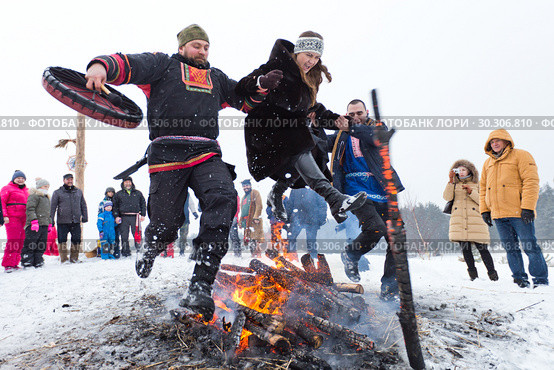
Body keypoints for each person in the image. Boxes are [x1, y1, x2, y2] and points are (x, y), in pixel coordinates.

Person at [85, 24, 276, 320]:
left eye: (206, 47)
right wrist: (100, 67)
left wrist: (262, 86)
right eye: (196, 45)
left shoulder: (217, 78)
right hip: (166, 154)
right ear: (183, 47)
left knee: (224, 198)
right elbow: (127, 64)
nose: (202, 51)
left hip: (206, 152)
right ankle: (151, 248)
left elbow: (246, 101)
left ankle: (200, 284)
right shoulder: (163, 65)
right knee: (167, 225)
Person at [235, 31, 367, 231]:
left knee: (314, 147)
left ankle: (278, 192)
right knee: (300, 137)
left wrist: (337, 121)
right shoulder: (278, 64)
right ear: (298, 51)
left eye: (316, 57)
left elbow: (314, 110)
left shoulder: (308, 81)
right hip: (264, 130)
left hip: (289, 133)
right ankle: (333, 198)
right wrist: (262, 81)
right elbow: (243, 85)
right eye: (308, 55)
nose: (312, 61)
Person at [327, 99, 404, 297]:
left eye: (359, 113)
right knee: (375, 228)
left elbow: (375, 139)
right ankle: (351, 254)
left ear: (367, 112)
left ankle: (389, 289)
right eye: (350, 115)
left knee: (396, 240)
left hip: (382, 189)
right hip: (355, 191)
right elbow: (317, 143)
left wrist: (350, 126)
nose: (355, 117)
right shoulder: (340, 136)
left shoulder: (377, 129)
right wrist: (310, 124)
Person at [480, 129, 548, 288]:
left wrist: (528, 207)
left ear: (506, 141)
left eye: (498, 140)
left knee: (530, 247)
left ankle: (540, 280)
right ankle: (519, 279)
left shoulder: (521, 155)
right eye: (492, 141)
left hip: (519, 213)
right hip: (499, 215)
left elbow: (531, 181)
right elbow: (483, 188)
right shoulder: (487, 163)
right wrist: (485, 210)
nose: (494, 144)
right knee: (511, 249)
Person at [443, 160, 498, 281]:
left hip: (476, 220)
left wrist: (471, 192)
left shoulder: (478, 184)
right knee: (466, 250)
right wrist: (451, 181)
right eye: (458, 170)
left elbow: (484, 201)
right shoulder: (453, 184)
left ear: (470, 171)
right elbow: (447, 197)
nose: (461, 172)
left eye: (463, 170)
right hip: (460, 221)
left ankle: (493, 275)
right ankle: (474, 277)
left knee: (483, 249)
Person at [50, 174, 88, 263]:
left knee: (76, 239)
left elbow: (83, 205)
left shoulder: (78, 191)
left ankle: (74, 258)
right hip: (62, 221)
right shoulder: (57, 192)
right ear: (64, 180)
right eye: (68, 179)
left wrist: (85, 216)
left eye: (71, 179)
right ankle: (64, 259)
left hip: (75, 221)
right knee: (62, 240)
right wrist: (51, 220)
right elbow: (52, 207)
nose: (70, 181)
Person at [286, 187, 327, 259]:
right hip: (298, 217)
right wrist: (288, 217)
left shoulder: (314, 186)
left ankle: (314, 260)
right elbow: (290, 204)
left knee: (310, 242)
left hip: (311, 219)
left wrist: (322, 218)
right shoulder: (295, 188)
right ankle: (291, 259)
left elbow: (322, 204)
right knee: (291, 239)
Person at [1, 170, 29, 272]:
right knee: (13, 240)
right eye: (18, 178)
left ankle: (15, 263)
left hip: (24, 218)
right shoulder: (7, 188)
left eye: (22, 178)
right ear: (14, 179)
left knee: (21, 240)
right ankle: (8, 264)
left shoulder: (27, 190)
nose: (20, 180)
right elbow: (2, 202)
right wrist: (4, 216)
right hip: (12, 218)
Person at [21, 178, 51, 268]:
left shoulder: (46, 198)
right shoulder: (34, 196)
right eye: (45, 186)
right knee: (31, 243)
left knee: (41, 243)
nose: (47, 188)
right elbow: (30, 209)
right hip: (34, 224)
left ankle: (38, 260)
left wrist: (49, 223)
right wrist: (33, 220)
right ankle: (27, 260)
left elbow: (48, 212)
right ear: (39, 186)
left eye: (48, 187)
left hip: (44, 224)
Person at [113, 177, 146, 257]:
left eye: (129, 182)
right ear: (123, 183)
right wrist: (116, 216)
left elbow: (143, 203)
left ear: (132, 183)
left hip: (135, 217)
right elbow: (115, 206)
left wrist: (143, 214)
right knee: (124, 236)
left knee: (137, 235)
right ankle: (125, 252)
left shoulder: (138, 193)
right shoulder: (119, 194)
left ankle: (139, 250)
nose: (127, 184)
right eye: (126, 182)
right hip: (123, 217)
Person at [239, 179, 264, 257]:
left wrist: (256, 217)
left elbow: (259, 205)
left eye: (247, 185)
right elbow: (242, 210)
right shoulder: (243, 197)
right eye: (244, 186)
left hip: (253, 220)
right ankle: (252, 255)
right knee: (249, 239)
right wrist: (240, 221)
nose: (245, 187)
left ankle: (258, 256)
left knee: (255, 238)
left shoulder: (255, 193)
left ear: (250, 185)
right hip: (246, 221)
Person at [98, 187, 120, 258]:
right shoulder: (102, 202)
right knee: (104, 242)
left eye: (112, 192)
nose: (110, 193)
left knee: (112, 241)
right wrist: (101, 227)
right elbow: (99, 213)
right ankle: (104, 256)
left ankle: (112, 254)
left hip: (112, 225)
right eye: (109, 192)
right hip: (105, 225)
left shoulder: (115, 200)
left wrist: (117, 222)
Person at [177, 192, 199, 256]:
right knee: (171, 234)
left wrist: (194, 212)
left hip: (184, 218)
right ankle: (167, 251)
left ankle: (182, 250)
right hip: (174, 217)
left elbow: (191, 203)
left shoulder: (187, 194)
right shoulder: (173, 191)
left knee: (183, 235)